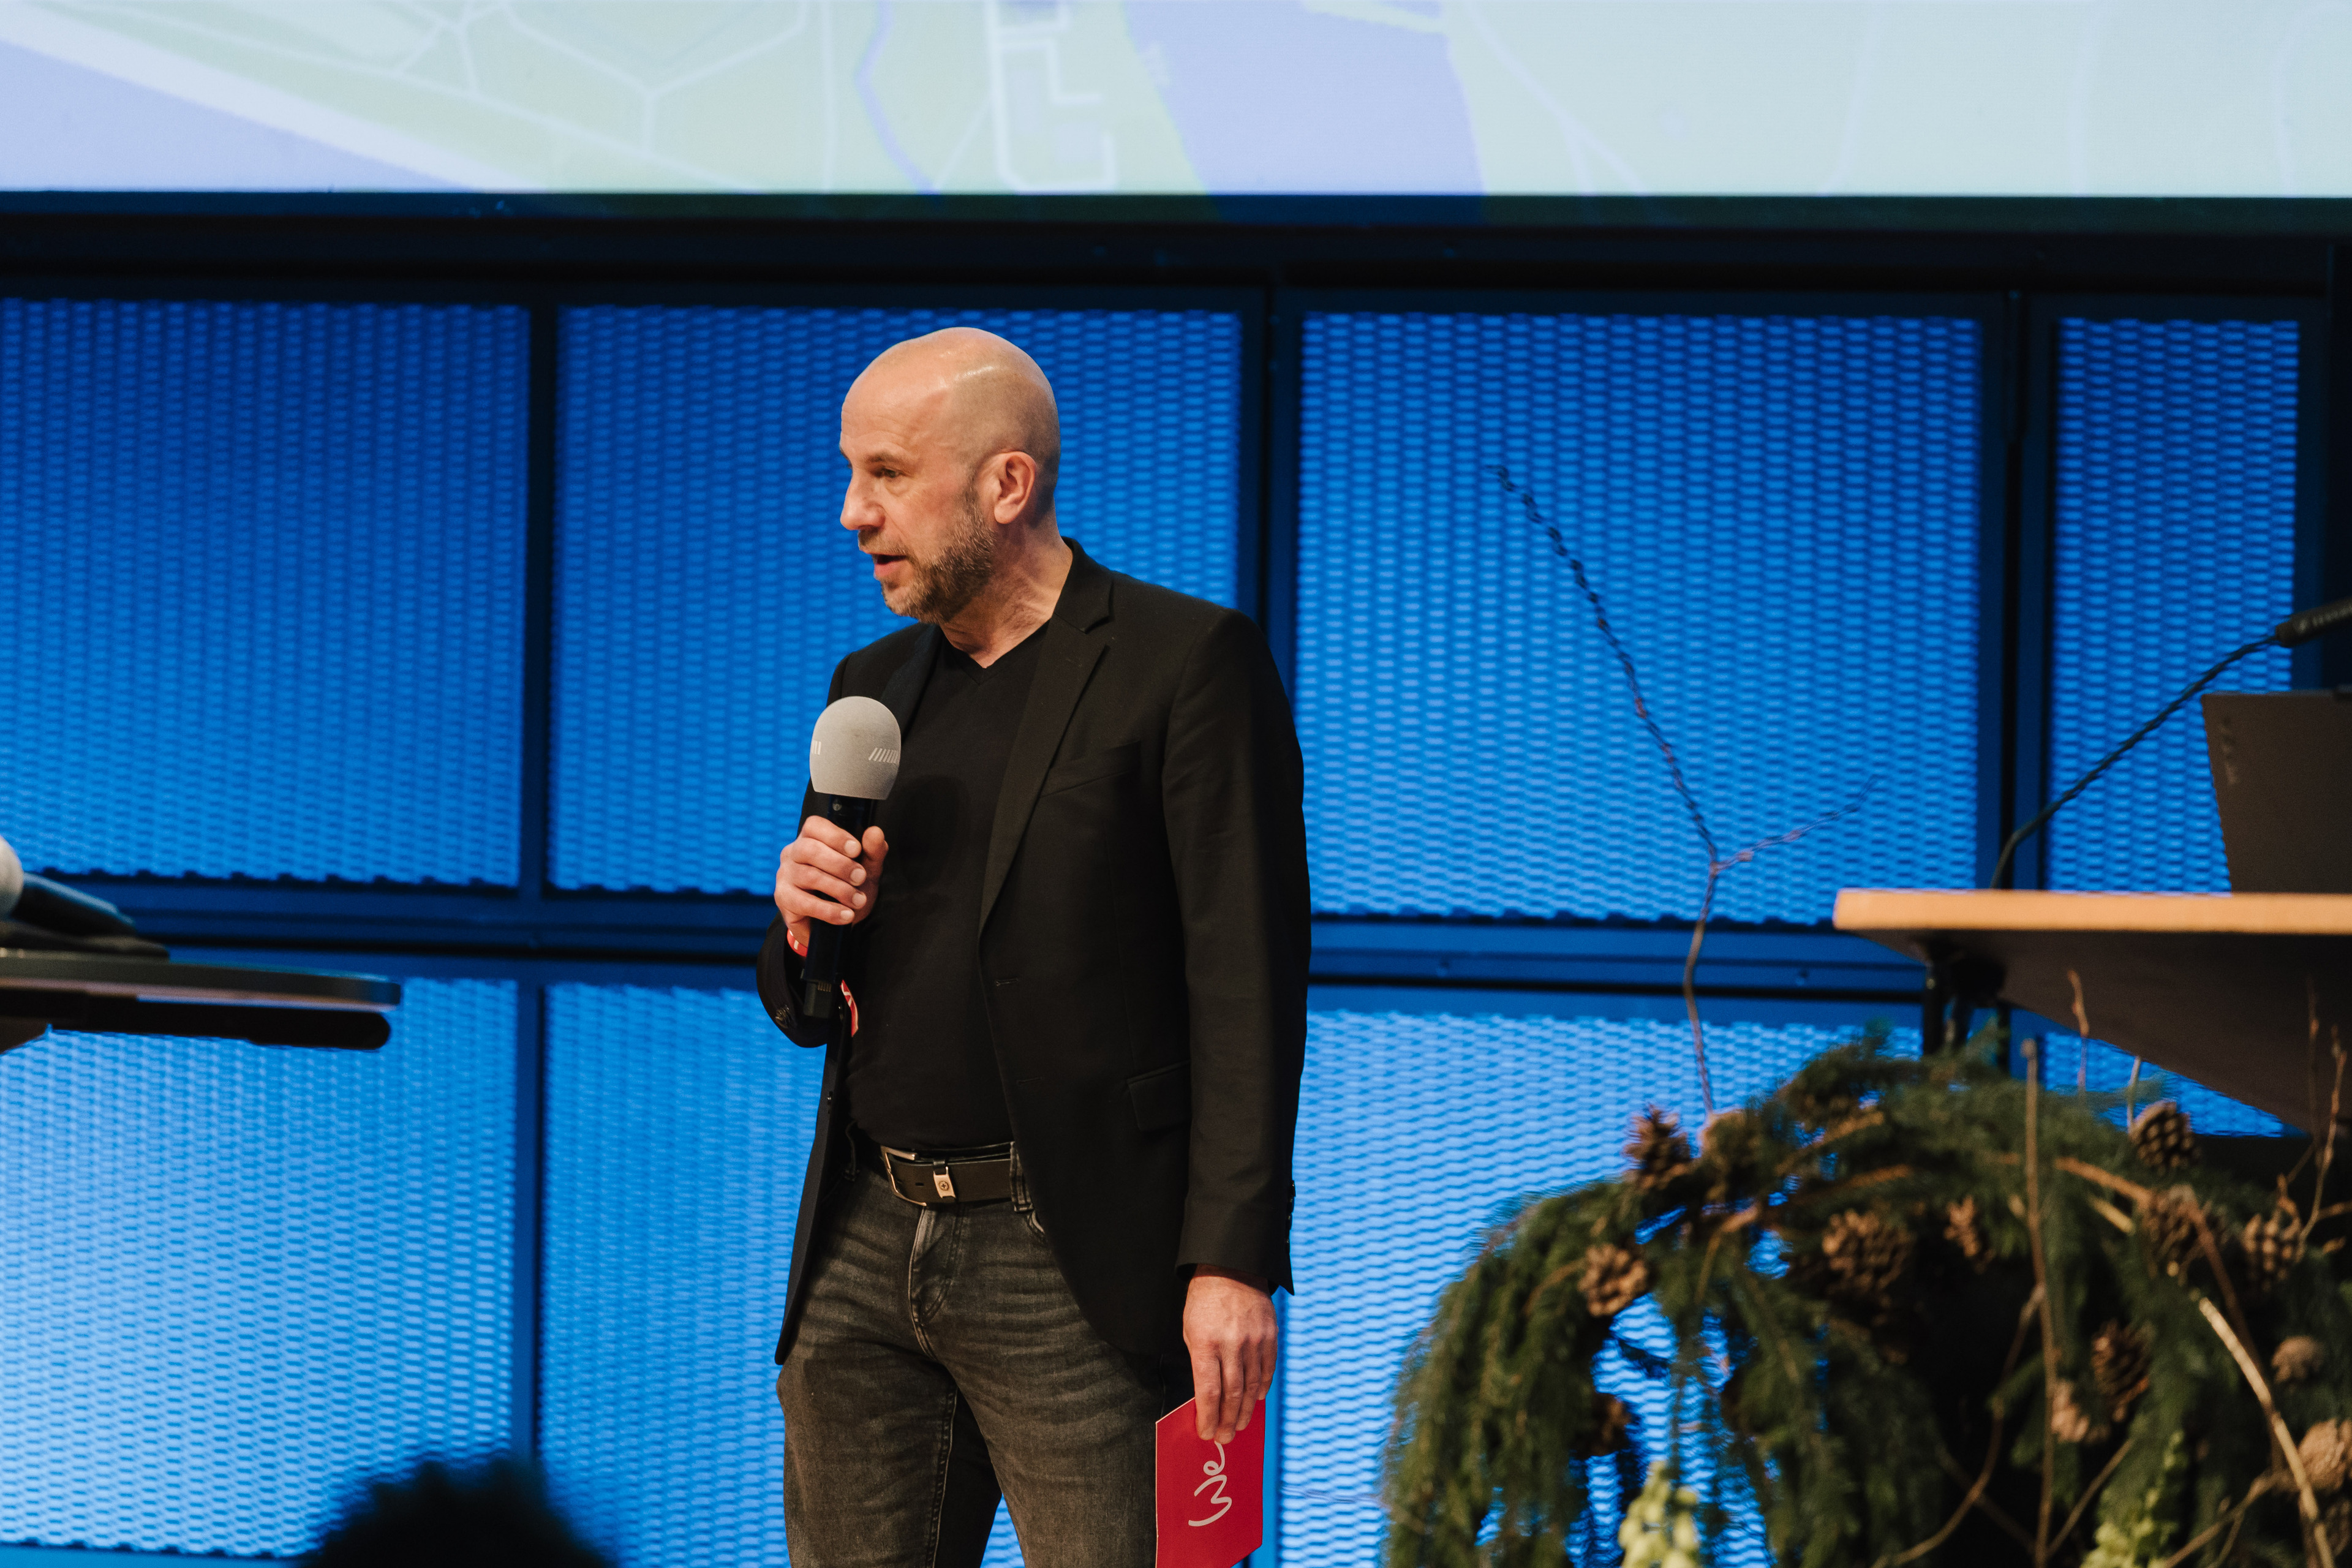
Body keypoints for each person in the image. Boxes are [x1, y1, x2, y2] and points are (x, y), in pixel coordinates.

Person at [756, 326, 1309, 1567]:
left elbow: (1248, 983)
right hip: (866, 1236)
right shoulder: (870, 686)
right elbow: (808, 1003)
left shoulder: (1184, 664)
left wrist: (1231, 1261)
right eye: (851, 474)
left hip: (1077, 1253)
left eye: (887, 474)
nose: (853, 512)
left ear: (1006, 484)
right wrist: (800, 923)